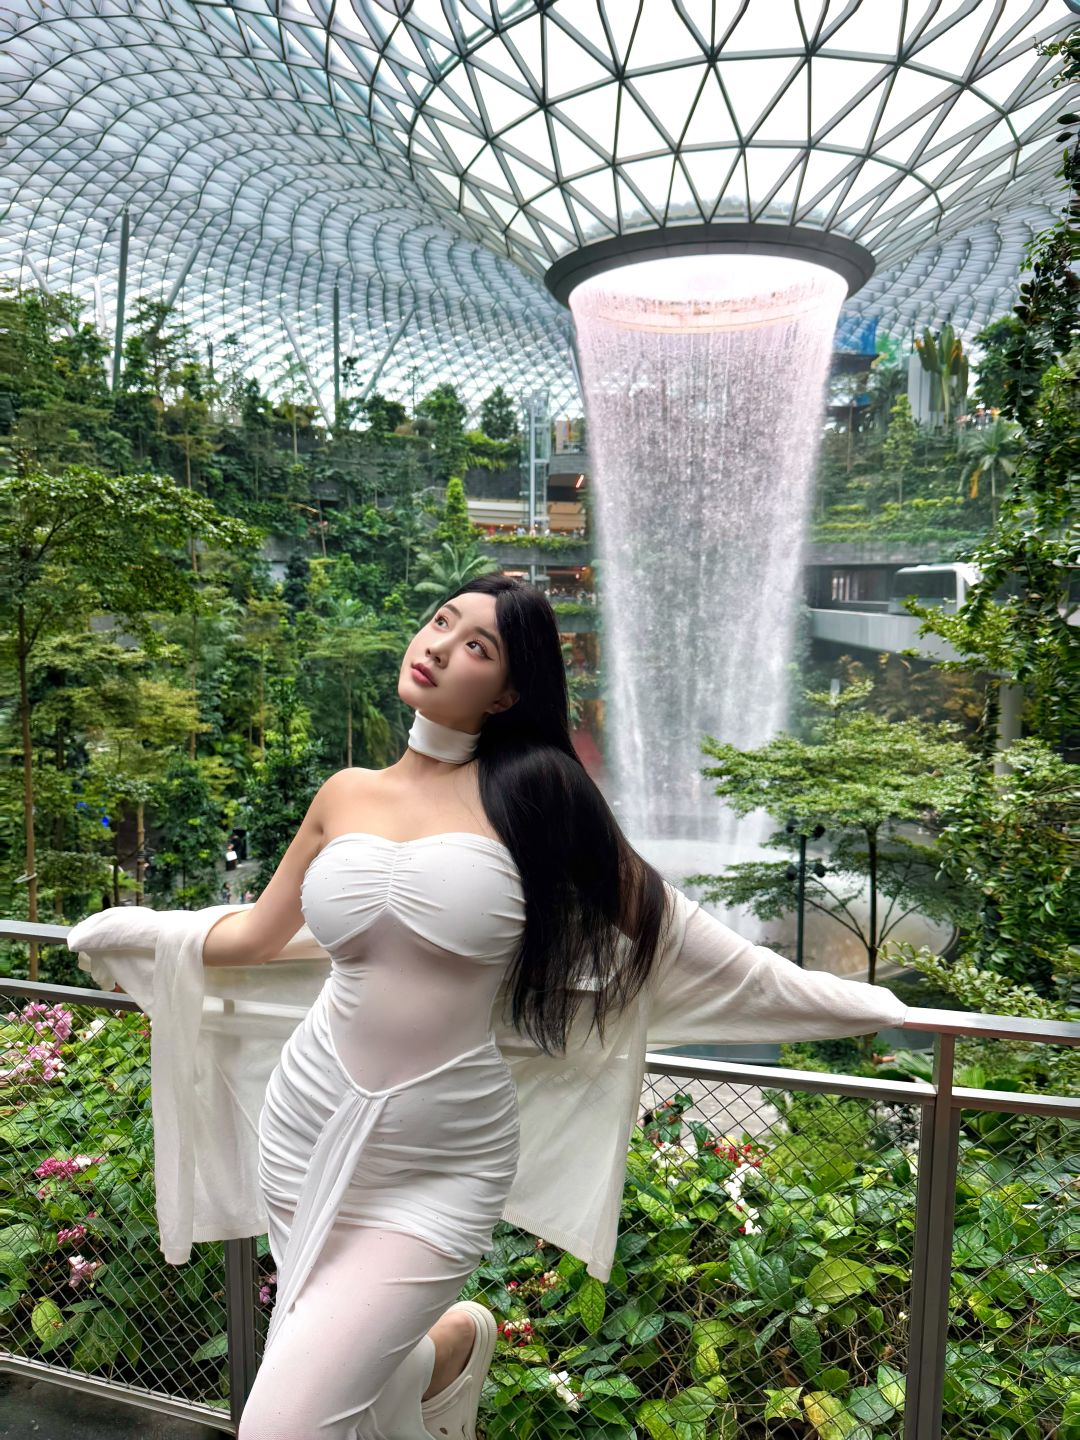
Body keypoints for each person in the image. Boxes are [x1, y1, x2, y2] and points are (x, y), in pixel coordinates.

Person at [188, 574, 905, 1439]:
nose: (442, 646)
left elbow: (678, 935)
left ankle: (441, 1344)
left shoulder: (537, 796)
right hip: (304, 1127)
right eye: (441, 622)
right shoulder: (344, 793)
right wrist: (144, 940)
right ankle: (445, 1354)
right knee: (361, 1386)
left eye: (478, 647)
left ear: (511, 690)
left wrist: (862, 1001)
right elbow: (256, 936)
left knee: (284, 1425)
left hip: (439, 1162)